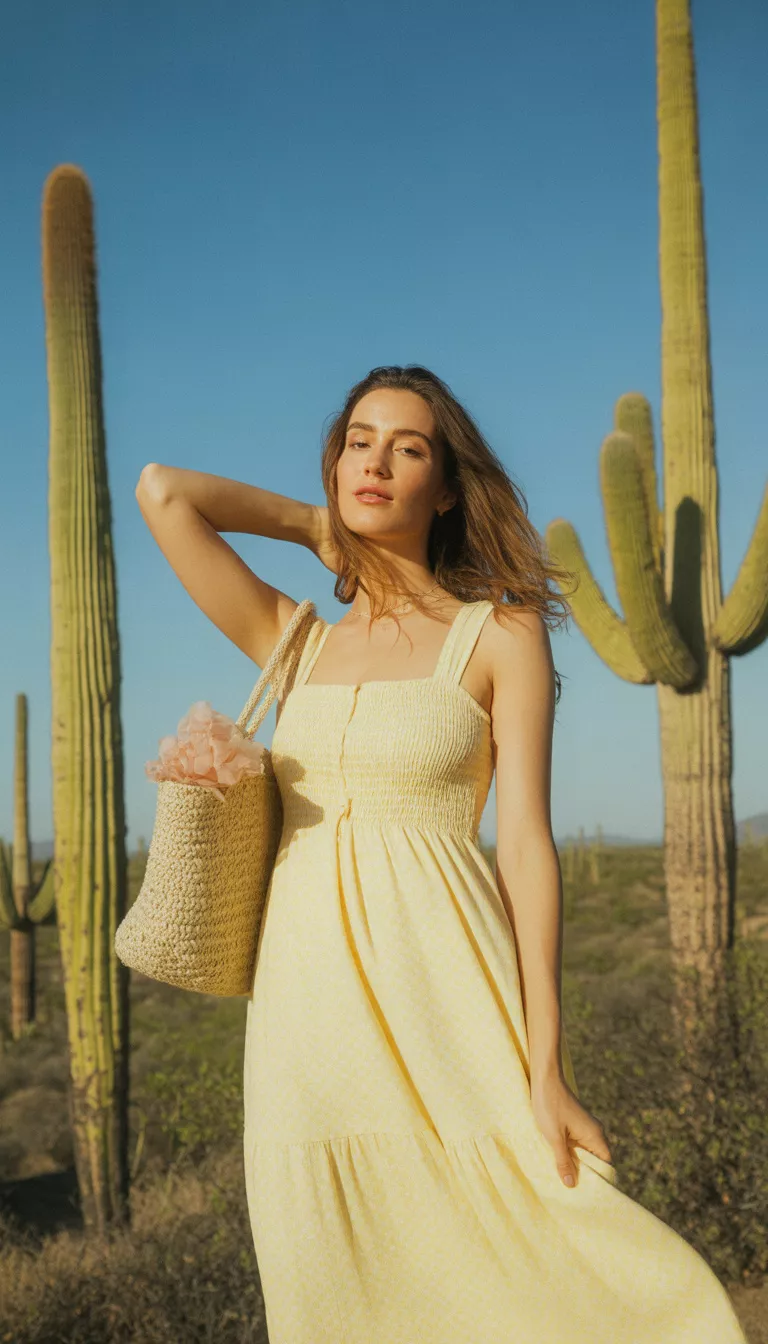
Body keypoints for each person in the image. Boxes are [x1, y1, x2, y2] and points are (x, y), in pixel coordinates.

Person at [136, 365, 747, 1343]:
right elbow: (164, 491)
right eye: (359, 441)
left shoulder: (499, 635)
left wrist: (547, 1064)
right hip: (306, 1025)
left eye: (408, 448)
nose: (375, 461)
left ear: (449, 487)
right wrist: (313, 526)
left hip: (449, 997)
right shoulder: (292, 642)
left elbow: (529, 850)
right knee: (327, 1282)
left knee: (548, 1242)